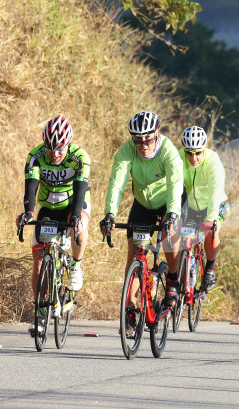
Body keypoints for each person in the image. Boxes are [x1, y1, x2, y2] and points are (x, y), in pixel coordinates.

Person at [100, 111, 184, 338]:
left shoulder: (169, 152)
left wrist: (173, 215)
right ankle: (129, 310)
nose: (143, 145)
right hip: (143, 205)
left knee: (169, 239)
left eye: (147, 139)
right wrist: (109, 213)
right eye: (137, 140)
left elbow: (176, 185)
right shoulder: (126, 151)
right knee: (135, 253)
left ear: (157, 134)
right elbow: (116, 184)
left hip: (168, 203)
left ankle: (174, 280)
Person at [16, 116, 91, 334]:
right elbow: (31, 187)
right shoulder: (36, 156)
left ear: (68, 143)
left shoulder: (79, 157)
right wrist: (28, 212)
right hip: (48, 206)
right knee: (39, 263)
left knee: (81, 225)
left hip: (73, 203)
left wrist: (75, 217)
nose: (55, 153)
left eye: (60, 148)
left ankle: (76, 265)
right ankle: (40, 314)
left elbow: (81, 190)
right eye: (50, 148)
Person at [179, 126, 227, 292]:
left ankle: (210, 268)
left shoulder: (213, 162)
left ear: (204, 149)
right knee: (183, 238)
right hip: (191, 206)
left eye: (198, 153)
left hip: (212, 206)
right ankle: (182, 274)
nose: (193, 158)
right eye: (189, 153)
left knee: (212, 233)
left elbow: (216, 192)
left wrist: (211, 219)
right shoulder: (178, 158)